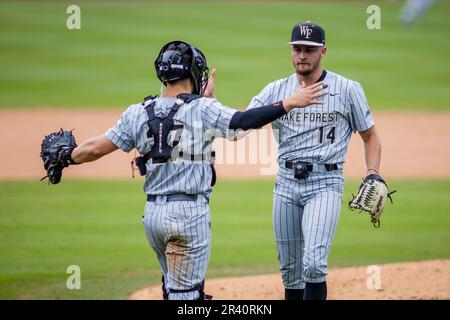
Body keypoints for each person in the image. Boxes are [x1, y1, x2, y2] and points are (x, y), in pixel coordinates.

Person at [40, 40, 328, 300]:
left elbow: (95, 148)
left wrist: (66, 156)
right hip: (188, 217)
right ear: (193, 72)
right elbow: (243, 121)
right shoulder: (202, 109)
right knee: (186, 298)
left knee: (173, 287)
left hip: (153, 217)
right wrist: (288, 103)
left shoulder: (138, 111)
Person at [214, 21, 385, 300]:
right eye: (297, 49)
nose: (302, 55)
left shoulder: (347, 89)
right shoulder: (277, 89)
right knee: (290, 272)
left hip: (325, 183)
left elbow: (371, 136)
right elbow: (237, 129)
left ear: (323, 51)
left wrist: (373, 172)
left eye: (309, 49)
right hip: (285, 185)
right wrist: (213, 104)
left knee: (314, 264)